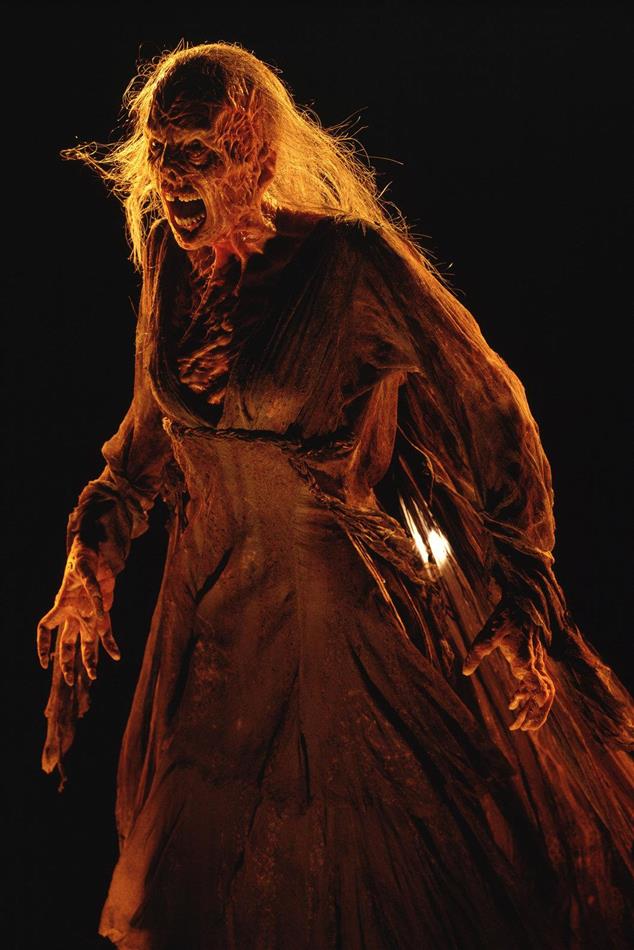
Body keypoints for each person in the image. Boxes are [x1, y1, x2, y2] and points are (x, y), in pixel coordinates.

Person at [36, 42, 633, 950]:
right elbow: (142, 452)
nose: (175, 177)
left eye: (200, 152)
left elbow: (492, 404)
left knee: (366, 883)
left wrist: (523, 584)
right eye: (162, 152)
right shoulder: (167, 260)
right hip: (213, 636)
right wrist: (90, 565)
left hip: (337, 629)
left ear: (257, 157)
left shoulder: (347, 263)